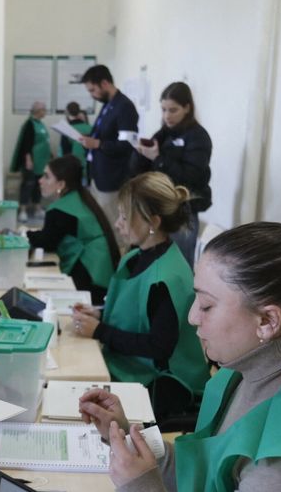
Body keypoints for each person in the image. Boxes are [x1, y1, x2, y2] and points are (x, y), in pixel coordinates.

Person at [79, 222, 281, 492]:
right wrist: (127, 437)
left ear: (267, 321)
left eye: (206, 306)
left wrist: (141, 486)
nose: (192, 317)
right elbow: (206, 467)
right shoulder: (255, 367)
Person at [71, 172, 209, 414]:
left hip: (163, 383)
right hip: (132, 363)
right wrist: (101, 315)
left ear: (153, 222)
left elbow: (158, 347)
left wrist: (100, 330)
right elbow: (139, 313)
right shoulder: (138, 256)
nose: (117, 223)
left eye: (125, 217)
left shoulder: (165, 277)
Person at [131, 82, 212, 268]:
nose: (167, 116)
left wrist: (159, 159)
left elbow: (192, 176)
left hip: (184, 209)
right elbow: (138, 172)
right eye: (163, 109)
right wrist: (139, 153)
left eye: (173, 110)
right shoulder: (163, 134)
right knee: (155, 261)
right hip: (158, 206)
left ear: (187, 108)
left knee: (179, 263)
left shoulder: (198, 136)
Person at [26, 155, 119, 302]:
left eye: (46, 177)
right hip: (101, 266)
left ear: (61, 184)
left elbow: (47, 241)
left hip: (92, 273)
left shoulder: (60, 210)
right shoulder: (79, 197)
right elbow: (51, 236)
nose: (40, 180)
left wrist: (25, 235)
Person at [78, 65, 139, 239]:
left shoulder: (124, 106)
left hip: (113, 178)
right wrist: (88, 140)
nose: (92, 95)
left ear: (104, 83)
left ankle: (118, 261)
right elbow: (102, 135)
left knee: (115, 228)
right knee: (102, 224)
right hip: (98, 174)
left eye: (93, 90)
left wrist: (97, 143)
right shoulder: (108, 105)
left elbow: (127, 145)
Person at [10, 100, 52, 222]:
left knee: (38, 186)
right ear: (38, 111)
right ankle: (22, 210)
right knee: (28, 184)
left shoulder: (41, 124)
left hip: (41, 162)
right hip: (31, 162)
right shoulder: (29, 124)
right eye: (44, 109)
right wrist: (28, 160)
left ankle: (37, 208)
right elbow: (26, 144)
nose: (45, 112)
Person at [60, 101, 90, 185]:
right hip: (87, 166)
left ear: (67, 112)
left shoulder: (66, 130)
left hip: (72, 166)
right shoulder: (90, 128)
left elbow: (64, 151)